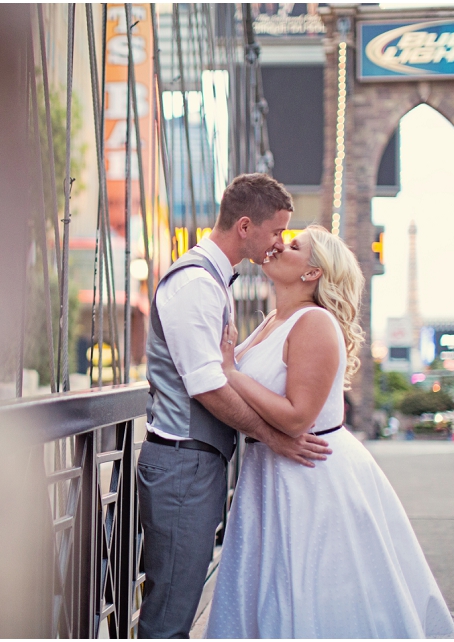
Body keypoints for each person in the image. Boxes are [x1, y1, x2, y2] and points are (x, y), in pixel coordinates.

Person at [205, 226, 454, 638]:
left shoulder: (315, 322)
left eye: (294, 246)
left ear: (312, 273)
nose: (279, 246)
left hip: (310, 475)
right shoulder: (273, 319)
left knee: (309, 588)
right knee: (270, 588)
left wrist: (230, 371)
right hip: (270, 470)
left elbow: (296, 417)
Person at [136, 174, 332, 639]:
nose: (279, 243)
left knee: (176, 605)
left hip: (194, 464)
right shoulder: (196, 286)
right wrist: (274, 438)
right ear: (246, 226)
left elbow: (225, 374)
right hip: (182, 464)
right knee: (169, 618)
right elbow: (207, 386)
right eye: (277, 231)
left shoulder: (214, 280)